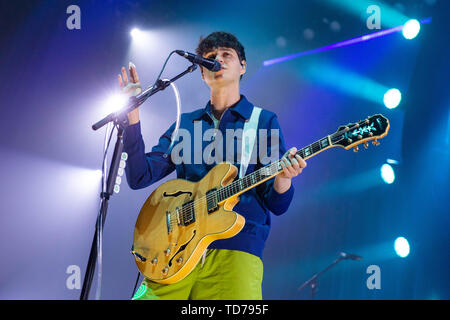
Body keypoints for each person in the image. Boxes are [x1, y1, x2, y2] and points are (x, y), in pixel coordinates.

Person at [119, 31, 307, 300]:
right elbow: (139, 176)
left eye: (226, 55)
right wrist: (132, 118)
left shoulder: (262, 121)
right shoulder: (185, 124)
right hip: (175, 250)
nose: (217, 60)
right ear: (202, 72)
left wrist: (284, 178)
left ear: (243, 66)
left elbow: (277, 204)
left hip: (236, 250)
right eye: (210, 58)